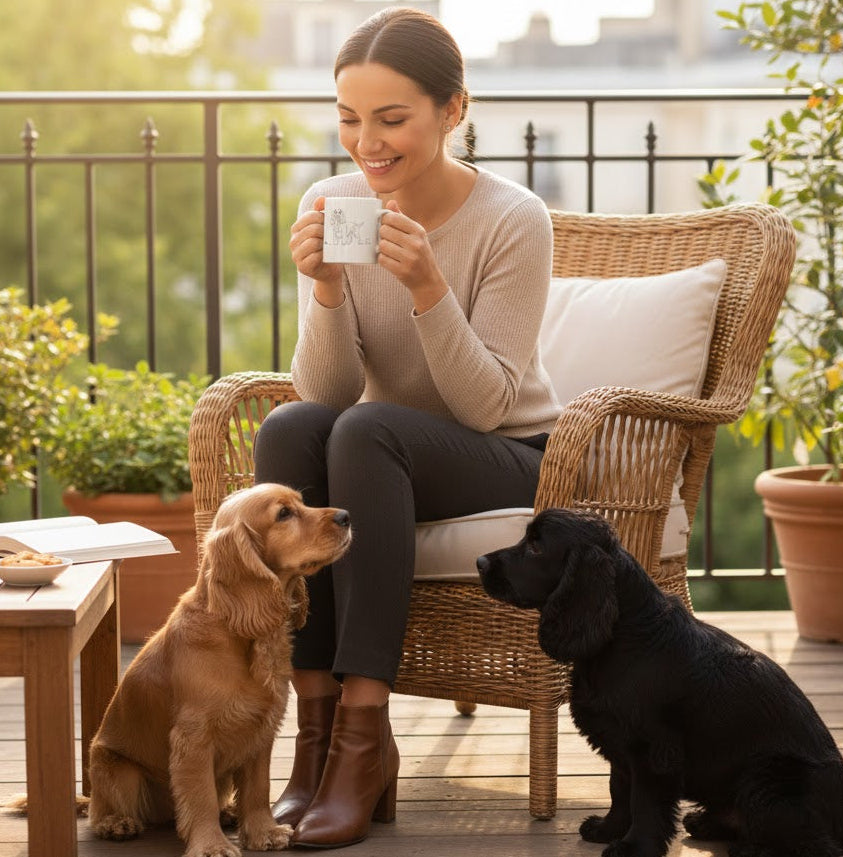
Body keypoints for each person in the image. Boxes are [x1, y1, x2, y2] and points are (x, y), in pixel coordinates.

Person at [253, 6, 561, 849]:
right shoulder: (334, 200)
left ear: (452, 110)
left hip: (508, 452)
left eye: (393, 119)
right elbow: (325, 387)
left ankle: (363, 736)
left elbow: (488, 405)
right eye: (350, 119)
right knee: (293, 429)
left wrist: (429, 288)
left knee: (363, 431)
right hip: (380, 450)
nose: (367, 143)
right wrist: (322, 289)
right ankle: (311, 741)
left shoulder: (511, 218)